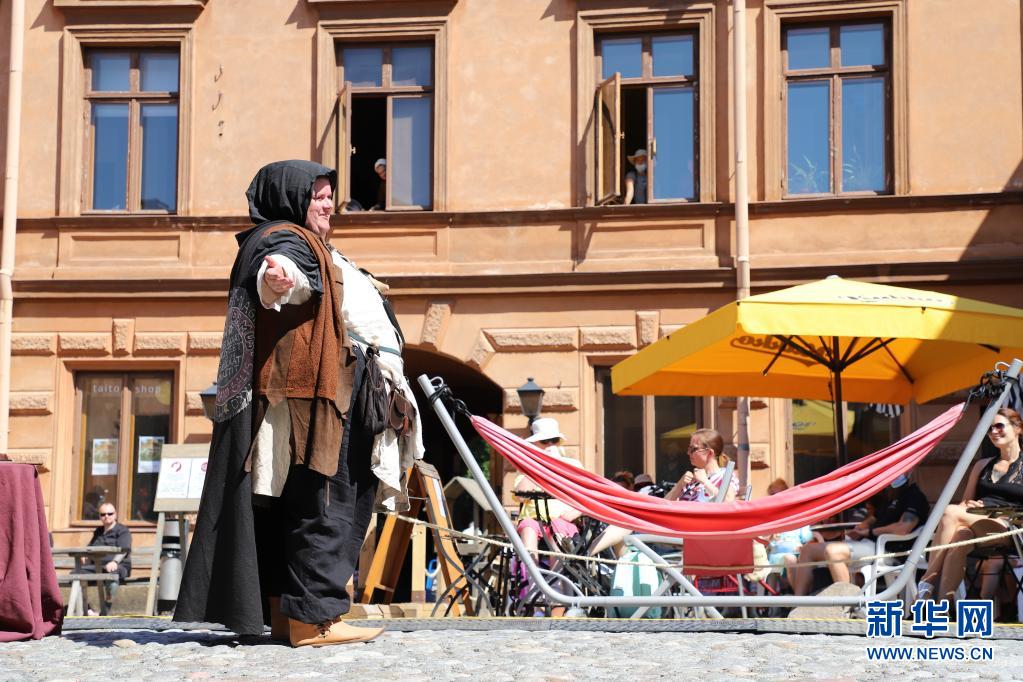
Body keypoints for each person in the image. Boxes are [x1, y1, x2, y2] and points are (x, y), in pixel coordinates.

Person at [175, 160, 423, 647]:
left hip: (338, 392)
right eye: (318, 196)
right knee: (330, 503)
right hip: (327, 398)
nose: (329, 205)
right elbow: (286, 271)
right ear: (291, 199)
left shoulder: (312, 243)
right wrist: (277, 280)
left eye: (331, 196)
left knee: (305, 504)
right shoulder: (287, 241)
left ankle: (288, 616)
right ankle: (315, 618)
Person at [916, 407, 1023, 607]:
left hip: (1010, 527)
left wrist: (999, 514)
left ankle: (927, 582)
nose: (993, 432)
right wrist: (970, 505)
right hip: (977, 520)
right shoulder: (982, 465)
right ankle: (942, 607)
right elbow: (964, 503)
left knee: (950, 511)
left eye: (999, 426)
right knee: (960, 536)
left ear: (1018, 428)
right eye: (989, 428)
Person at [793, 472, 928, 596]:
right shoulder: (891, 496)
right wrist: (858, 529)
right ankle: (797, 605)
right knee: (807, 550)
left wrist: (870, 532)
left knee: (833, 552)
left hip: (889, 550)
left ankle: (848, 605)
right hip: (868, 544)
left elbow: (903, 528)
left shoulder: (915, 497)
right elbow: (873, 519)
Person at [514, 417, 583, 558]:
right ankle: (531, 570)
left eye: (554, 440)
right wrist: (539, 466)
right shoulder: (529, 468)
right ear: (535, 444)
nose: (550, 445)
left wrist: (575, 513)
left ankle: (556, 572)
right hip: (533, 520)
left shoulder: (573, 465)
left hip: (563, 521)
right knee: (528, 526)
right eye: (545, 441)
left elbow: (586, 496)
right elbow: (520, 496)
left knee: (557, 527)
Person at [763, 478, 821, 591]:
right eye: (773, 495)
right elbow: (761, 541)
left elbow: (807, 538)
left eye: (779, 494)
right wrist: (769, 537)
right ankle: (799, 595)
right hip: (776, 556)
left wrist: (804, 546)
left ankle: (799, 593)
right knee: (790, 559)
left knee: (801, 559)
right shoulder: (768, 517)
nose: (776, 498)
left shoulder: (797, 516)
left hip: (797, 553)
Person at [665, 428, 740, 503]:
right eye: (689, 449)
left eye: (693, 449)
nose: (688, 453)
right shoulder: (692, 480)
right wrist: (679, 485)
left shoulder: (725, 475)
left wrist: (705, 482)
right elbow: (664, 504)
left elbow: (728, 501)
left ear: (710, 453)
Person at [85, 503, 131, 616]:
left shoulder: (123, 531)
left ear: (115, 515)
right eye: (103, 514)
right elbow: (90, 548)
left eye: (110, 513)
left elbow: (124, 550)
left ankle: (105, 610)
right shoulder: (98, 531)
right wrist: (85, 557)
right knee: (77, 574)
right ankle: (86, 608)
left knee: (112, 574)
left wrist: (115, 561)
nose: (106, 516)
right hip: (98, 566)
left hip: (118, 566)